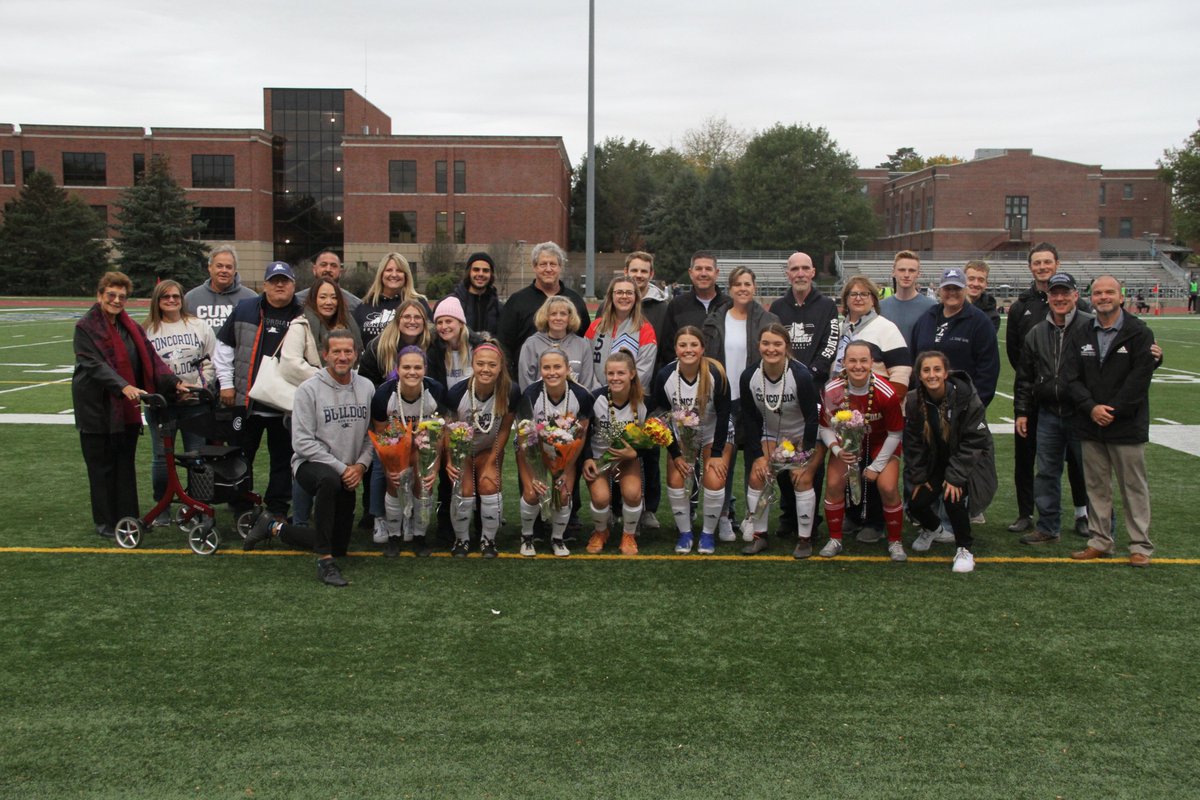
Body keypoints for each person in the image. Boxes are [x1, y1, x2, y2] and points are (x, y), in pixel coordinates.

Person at [243, 330, 374, 587]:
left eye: (348, 351)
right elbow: (302, 442)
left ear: (356, 355)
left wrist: (360, 466)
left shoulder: (366, 386)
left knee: (339, 544)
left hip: (348, 468)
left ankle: (273, 528)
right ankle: (325, 563)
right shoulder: (308, 389)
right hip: (311, 465)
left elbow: (371, 436)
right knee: (330, 481)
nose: (342, 356)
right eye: (336, 351)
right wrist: (341, 468)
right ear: (324, 355)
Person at [74, 272, 186, 538]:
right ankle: (105, 523)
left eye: (121, 296)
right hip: (96, 409)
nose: (116, 300)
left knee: (125, 466)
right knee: (102, 468)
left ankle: (127, 518)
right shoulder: (85, 327)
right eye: (111, 295)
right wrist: (122, 386)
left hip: (126, 409)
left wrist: (173, 383)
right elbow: (94, 364)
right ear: (100, 295)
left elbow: (150, 357)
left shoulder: (130, 327)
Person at [1066, 276, 1157, 567]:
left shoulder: (1139, 332)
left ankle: (1140, 544)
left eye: (1109, 292)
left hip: (1126, 424)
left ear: (1121, 296)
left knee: (1133, 486)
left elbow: (1140, 379)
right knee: (1096, 486)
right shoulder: (1081, 332)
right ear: (1090, 298)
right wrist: (1091, 408)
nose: (1103, 297)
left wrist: (1113, 410)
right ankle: (1100, 540)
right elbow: (1071, 376)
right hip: (1090, 423)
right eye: (1097, 293)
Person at [1004, 243, 1088, 534]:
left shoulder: (1081, 307)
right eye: (1037, 262)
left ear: (1057, 263)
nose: (1042, 267)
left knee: (1078, 458)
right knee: (1026, 457)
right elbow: (1017, 355)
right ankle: (1026, 513)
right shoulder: (1020, 307)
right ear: (1030, 267)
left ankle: (1082, 513)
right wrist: (1036, 387)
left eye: (1047, 262)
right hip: (1035, 395)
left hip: (1073, 398)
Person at [214, 261, 303, 519]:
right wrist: (227, 384)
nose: (279, 285)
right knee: (241, 455)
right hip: (246, 401)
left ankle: (277, 508)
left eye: (284, 281)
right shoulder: (244, 309)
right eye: (274, 280)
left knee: (283, 459)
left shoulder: (303, 313)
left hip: (285, 405)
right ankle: (240, 504)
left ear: (293, 285)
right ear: (264, 285)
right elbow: (224, 347)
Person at [278, 276, 363, 526]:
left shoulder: (347, 325)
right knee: (309, 461)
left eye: (333, 296)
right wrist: (327, 377)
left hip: (342, 403)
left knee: (334, 461)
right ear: (313, 299)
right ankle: (301, 521)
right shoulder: (301, 325)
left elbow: (353, 359)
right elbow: (290, 364)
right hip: (310, 402)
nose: (328, 301)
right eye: (323, 296)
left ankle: (327, 515)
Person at [702, 267, 779, 541]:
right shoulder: (715, 321)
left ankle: (751, 516)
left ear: (754, 287)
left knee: (754, 460)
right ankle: (723, 516)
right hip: (724, 400)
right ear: (730, 288)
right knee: (724, 461)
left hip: (756, 401)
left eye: (748, 283)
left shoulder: (768, 320)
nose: (743, 288)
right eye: (738, 284)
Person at [768, 251, 840, 539]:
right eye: (794, 268)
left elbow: (831, 343)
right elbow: (772, 343)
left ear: (813, 273)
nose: (799, 273)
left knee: (811, 451)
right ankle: (788, 513)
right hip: (782, 390)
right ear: (788, 274)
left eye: (804, 268)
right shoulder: (777, 306)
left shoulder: (827, 306)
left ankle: (810, 515)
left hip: (815, 388)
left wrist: (809, 373)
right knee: (784, 450)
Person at [904, 351, 997, 573]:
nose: (932, 374)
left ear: (946, 373)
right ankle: (934, 528)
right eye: (926, 370)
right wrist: (919, 476)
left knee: (952, 496)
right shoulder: (914, 400)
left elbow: (975, 441)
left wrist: (954, 477)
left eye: (937, 369)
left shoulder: (966, 397)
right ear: (919, 374)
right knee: (916, 502)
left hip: (968, 460)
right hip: (937, 460)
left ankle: (964, 549)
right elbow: (913, 442)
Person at [817, 341, 906, 562]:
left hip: (882, 444)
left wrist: (876, 466)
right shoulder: (833, 389)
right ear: (844, 363)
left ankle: (895, 541)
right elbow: (825, 427)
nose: (858, 366)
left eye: (863, 360)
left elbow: (895, 434)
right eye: (852, 360)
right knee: (835, 484)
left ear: (872, 363)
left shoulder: (886, 392)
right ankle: (835, 539)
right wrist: (837, 451)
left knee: (887, 486)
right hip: (846, 447)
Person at [650, 327, 733, 555]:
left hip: (713, 432)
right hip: (681, 435)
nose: (688, 350)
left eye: (694, 345)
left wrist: (716, 454)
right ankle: (685, 533)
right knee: (676, 479)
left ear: (702, 348)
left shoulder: (715, 373)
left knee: (714, 479)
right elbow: (660, 416)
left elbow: (725, 413)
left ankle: (707, 534)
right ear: (675, 349)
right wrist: (675, 454)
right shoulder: (665, 375)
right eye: (683, 345)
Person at [741, 324, 821, 558]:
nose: (771, 349)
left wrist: (803, 458)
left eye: (777, 344)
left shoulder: (801, 375)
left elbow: (812, 419)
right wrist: (757, 456)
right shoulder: (749, 376)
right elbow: (749, 419)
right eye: (766, 343)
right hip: (771, 433)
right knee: (758, 476)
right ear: (758, 346)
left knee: (802, 479)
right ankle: (760, 536)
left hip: (802, 434)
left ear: (786, 346)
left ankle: (804, 540)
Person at [141, 279, 216, 524]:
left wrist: (199, 387)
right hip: (163, 405)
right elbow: (146, 369)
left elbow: (211, 360)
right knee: (163, 458)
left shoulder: (197, 325)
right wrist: (172, 390)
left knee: (197, 457)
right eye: (166, 297)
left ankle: (197, 505)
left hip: (195, 402)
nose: (172, 300)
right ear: (157, 301)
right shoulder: (148, 330)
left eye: (176, 296)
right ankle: (161, 506)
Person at [444, 340, 520, 557]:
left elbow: (505, 429)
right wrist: (450, 459)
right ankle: (461, 540)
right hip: (463, 450)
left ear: (500, 367)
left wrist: (492, 457)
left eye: (492, 365)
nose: (486, 369)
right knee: (464, 491)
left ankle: (489, 540)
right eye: (480, 364)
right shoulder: (458, 392)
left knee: (489, 485)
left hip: (489, 447)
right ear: (473, 365)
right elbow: (448, 430)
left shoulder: (510, 391)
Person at [516, 349, 593, 557]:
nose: (552, 372)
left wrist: (567, 467)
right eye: (546, 367)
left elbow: (581, 435)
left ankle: (557, 538)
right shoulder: (530, 395)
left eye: (557, 367)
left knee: (564, 492)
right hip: (532, 451)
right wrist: (533, 473)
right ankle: (527, 536)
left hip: (565, 454)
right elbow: (524, 438)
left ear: (568, 369)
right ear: (540, 370)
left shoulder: (582, 395)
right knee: (533, 492)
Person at [371, 345, 447, 557]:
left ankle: (419, 536)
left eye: (417, 367)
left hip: (425, 448)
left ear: (425, 369)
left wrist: (434, 466)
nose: (412, 372)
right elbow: (382, 436)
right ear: (397, 368)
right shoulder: (384, 395)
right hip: (395, 448)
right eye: (406, 367)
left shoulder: (436, 391)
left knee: (424, 484)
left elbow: (439, 435)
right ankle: (394, 536)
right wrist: (390, 467)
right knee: (394, 483)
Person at [582, 350, 650, 556]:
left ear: (632, 374)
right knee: (601, 498)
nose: (615, 378)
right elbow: (582, 433)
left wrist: (635, 453)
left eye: (620, 373)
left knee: (632, 493)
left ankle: (628, 534)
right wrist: (586, 459)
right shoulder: (594, 397)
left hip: (627, 458)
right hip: (599, 457)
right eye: (610, 373)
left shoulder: (643, 400)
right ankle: (601, 531)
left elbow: (654, 437)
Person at [623, 250, 669, 531]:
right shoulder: (617, 303)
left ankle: (649, 508)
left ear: (651, 275)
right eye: (634, 270)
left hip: (651, 390)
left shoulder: (662, 307)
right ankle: (622, 506)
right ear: (625, 271)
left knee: (650, 450)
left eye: (644, 271)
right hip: (618, 392)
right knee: (621, 448)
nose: (638, 275)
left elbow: (665, 348)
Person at [909, 268, 1000, 407]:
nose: (952, 292)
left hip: (963, 406)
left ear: (965, 290)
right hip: (926, 404)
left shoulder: (980, 322)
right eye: (947, 288)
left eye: (957, 288)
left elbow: (988, 369)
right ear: (940, 290)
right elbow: (914, 360)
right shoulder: (926, 319)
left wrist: (976, 405)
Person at [497, 241, 590, 376]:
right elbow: (504, 344)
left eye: (553, 264)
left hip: (569, 379)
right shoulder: (517, 301)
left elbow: (583, 337)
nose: (548, 269)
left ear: (560, 267)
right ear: (534, 267)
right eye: (543, 264)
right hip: (528, 379)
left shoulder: (574, 300)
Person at [832, 276, 912, 393]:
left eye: (864, 294)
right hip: (840, 402)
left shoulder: (886, 328)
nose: (858, 298)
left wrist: (886, 402)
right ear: (846, 299)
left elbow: (901, 372)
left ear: (873, 299)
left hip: (875, 404)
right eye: (853, 294)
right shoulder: (837, 330)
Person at [585, 275, 658, 389]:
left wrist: (621, 394)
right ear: (611, 296)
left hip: (630, 399)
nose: (624, 296)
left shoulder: (645, 329)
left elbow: (644, 371)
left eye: (629, 293)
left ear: (636, 297)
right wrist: (598, 392)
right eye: (619, 292)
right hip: (596, 397)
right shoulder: (596, 326)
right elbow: (587, 364)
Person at [517, 296, 593, 391]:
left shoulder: (582, 345)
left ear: (570, 317)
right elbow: (526, 381)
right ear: (546, 317)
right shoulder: (531, 344)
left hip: (575, 403)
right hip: (539, 403)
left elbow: (587, 383)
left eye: (563, 314)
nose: (558, 318)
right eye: (553, 314)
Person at [353, 252, 429, 347]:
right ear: (381, 274)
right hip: (371, 360)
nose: (394, 274)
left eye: (399, 271)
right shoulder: (364, 305)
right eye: (389, 270)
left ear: (406, 276)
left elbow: (430, 336)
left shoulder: (419, 303)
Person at [660, 250, 726, 354]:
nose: (703, 273)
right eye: (698, 269)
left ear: (716, 273)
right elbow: (667, 350)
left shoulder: (729, 305)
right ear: (691, 273)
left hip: (723, 370)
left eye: (708, 269)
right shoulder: (676, 306)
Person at [358, 300, 432, 387]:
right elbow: (366, 383)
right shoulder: (377, 347)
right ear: (397, 320)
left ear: (424, 322)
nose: (412, 321)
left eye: (417, 317)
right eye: (407, 317)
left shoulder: (432, 344)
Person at [184, 246, 257, 331]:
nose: (224, 270)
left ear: (235, 271)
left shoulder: (251, 298)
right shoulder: (191, 298)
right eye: (219, 266)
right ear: (210, 267)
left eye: (229, 267)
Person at [879, 250, 936, 348]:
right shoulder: (880, 307)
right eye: (901, 270)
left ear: (918, 274)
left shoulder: (931, 307)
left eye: (912, 270)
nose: (906, 275)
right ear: (893, 272)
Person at [450, 251, 504, 335]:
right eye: (476, 270)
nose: (480, 274)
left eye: (485, 271)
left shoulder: (499, 308)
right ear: (469, 272)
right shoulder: (453, 304)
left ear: (491, 274)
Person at [295, 249, 362, 312]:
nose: (328, 269)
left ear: (340, 272)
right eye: (323, 265)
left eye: (334, 266)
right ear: (314, 270)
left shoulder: (355, 305)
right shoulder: (297, 301)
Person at [963, 260, 1001, 333]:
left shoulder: (992, 316)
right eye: (971, 279)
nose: (976, 284)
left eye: (981, 280)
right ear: (963, 281)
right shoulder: (950, 306)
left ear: (986, 284)